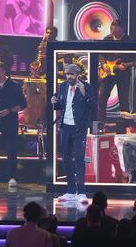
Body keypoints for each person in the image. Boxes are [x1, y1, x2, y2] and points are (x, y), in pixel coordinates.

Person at [51, 64, 96, 203]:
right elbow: (60, 106)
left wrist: (83, 92)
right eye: (67, 74)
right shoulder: (63, 86)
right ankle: (70, 190)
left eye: (71, 74)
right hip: (65, 127)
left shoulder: (86, 86)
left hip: (79, 128)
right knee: (65, 158)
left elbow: (93, 105)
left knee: (79, 159)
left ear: (77, 75)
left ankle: (81, 191)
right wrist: (55, 103)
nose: (69, 77)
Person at [98, 19, 136, 121]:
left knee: (124, 100)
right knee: (102, 97)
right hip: (108, 73)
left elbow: (135, 59)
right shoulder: (106, 39)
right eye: (113, 32)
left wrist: (129, 65)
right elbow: (100, 54)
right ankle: (100, 124)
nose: (115, 34)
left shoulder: (130, 41)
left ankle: (123, 127)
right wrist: (104, 65)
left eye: (118, 32)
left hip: (123, 74)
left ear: (123, 30)